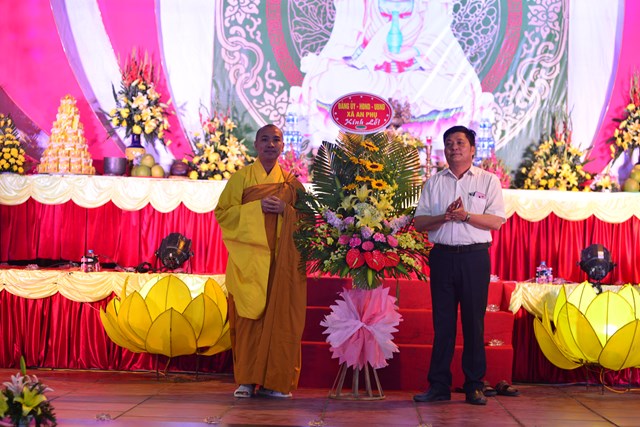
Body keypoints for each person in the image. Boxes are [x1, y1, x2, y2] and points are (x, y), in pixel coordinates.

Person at [292, 0, 494, 147]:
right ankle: (384, 105)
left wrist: (413, 55)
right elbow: (345, 45)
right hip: (370, 77)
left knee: (458, 90)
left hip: (414, 78)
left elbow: (439, 43)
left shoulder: (431, 4)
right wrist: (365, 55)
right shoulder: (359, 4)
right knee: (329, 81)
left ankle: (392, 106)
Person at [412, 125, 505, 405]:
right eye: (449, 143)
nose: (454, 148)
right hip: (442, 257)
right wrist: (445, 216)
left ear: (473, 149)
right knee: (443, 324)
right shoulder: (434, 182)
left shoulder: (488, 181)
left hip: (474, 258)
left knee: (474, 323)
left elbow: (496, 221)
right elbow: (420, 223)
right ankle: (438, 386)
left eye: (460, 143)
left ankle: (474, 385)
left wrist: (465, 216)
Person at [214, 124, 307, 399]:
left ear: (282, 146)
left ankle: (275, 382)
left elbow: (309, 220)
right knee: (247, 319)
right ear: (255, 145)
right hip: (249, 262)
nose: (270, 144)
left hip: (280, 263)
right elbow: (223, 213)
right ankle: (246, 380)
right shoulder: (241, 179)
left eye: (275, 140)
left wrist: (286, 210)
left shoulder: (291, 183)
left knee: (280, 320)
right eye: (264, 139)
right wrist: (256, 209)